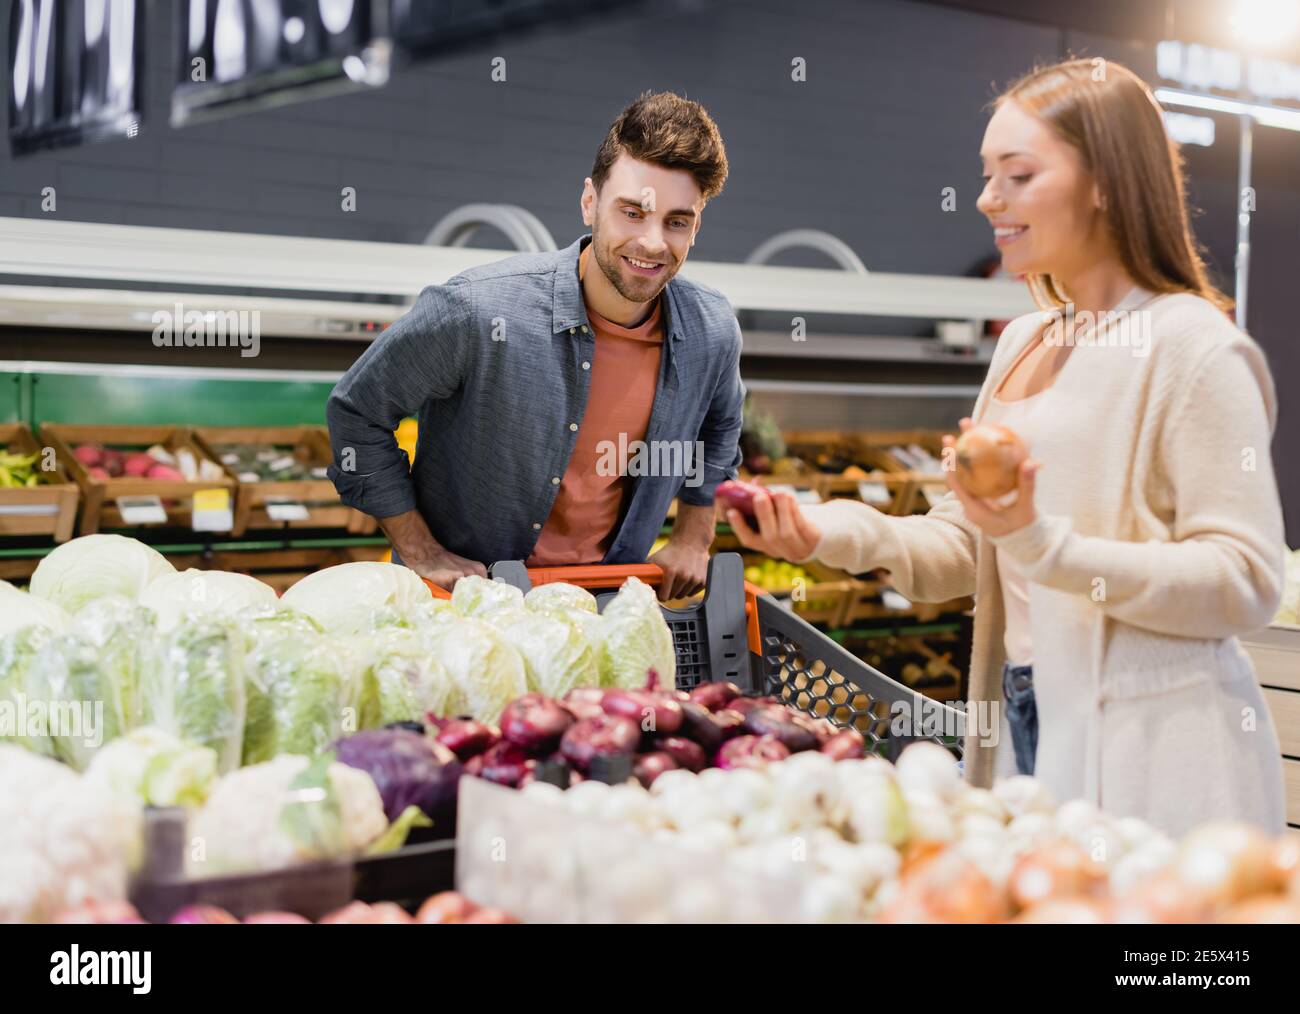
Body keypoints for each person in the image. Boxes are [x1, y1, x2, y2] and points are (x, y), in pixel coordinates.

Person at [729, 60, 1286, 837]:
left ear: (1105, 182)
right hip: (1022, 716)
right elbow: (971, 540)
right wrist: (829, 532)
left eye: (1018, 175)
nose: (988, 199)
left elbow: (1244, 581)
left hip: (1158, 750)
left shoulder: (1193, 349)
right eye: (987, 175)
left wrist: (1044, 544)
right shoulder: (1024, 340)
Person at [327, 91, 744, 601]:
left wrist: (694, 536)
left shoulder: (712, 330)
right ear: (590, 201)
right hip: (468, 610)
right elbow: (357, 412)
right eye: (632, 212)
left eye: (676, 221)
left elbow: (721, 427)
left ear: (696, 226)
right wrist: (419, 550)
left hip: (607, 605)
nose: (654, 243)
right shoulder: (477, 311)